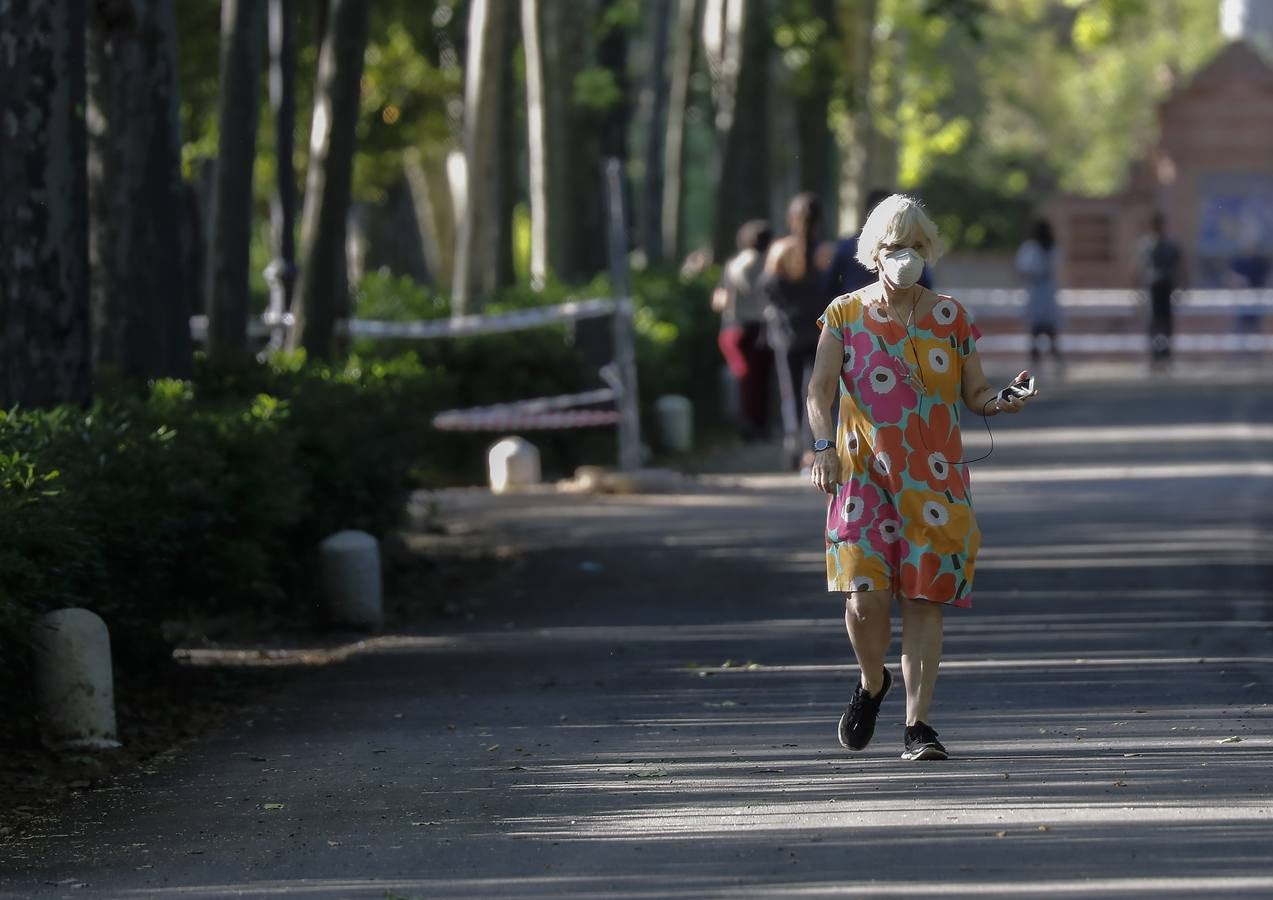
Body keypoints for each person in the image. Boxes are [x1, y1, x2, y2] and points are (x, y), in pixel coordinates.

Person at [806, 194, 1038, 761]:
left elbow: (975, 393)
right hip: (863, 479)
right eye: (893, 247)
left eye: (914, 247)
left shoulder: (951, 316)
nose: (904, 258)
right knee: (865, 599)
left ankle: (918, 725)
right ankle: (871, 682)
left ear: (927, 250)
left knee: (923, 599)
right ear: (873, 253)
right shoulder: (844, 315)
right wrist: (821, 448)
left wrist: (1003, 399)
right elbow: (819, 392)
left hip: (933, 482)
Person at [762, 192, 833, 468]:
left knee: (789, 390)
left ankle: (791, 439)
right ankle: (814, 443)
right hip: (820, 332)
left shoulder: (779, 251)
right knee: (817, 389)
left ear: (791, 219)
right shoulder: (826, 253)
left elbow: (767, 290)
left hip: (786, 333)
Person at [712, 220, 774, 441]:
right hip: (761, 328)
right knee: (761, 380)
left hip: (733, 328)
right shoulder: (770, 263)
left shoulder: (733, 264)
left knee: (743, 379)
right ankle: (760, 425)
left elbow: (719, 301)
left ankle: (743, 422)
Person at [822, 188, 932, 300]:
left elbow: (828, 288)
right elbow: (926, 285)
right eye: (896, 246)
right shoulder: (847, 248)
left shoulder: (845, 247)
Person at [1136, 212, 1183, 368]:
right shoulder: (1145, 246)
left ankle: (1166, 354)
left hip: (1166, 286)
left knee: (1166, 321)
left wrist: (1180, 287)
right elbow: (1139, 269)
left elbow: (1179, 268)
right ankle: (1155, 355)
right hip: (1152, 287)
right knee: (1153, 322)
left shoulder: (1170, 246)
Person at [1015, 217, 1062, 365]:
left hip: (1037, 289)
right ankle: (1054, 357)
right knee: (1050, 327)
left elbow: (1023, 269)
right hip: (1047, 290)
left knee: (1036, 328)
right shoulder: (1053, 248)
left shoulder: (1031, 248)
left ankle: (1036, 359)